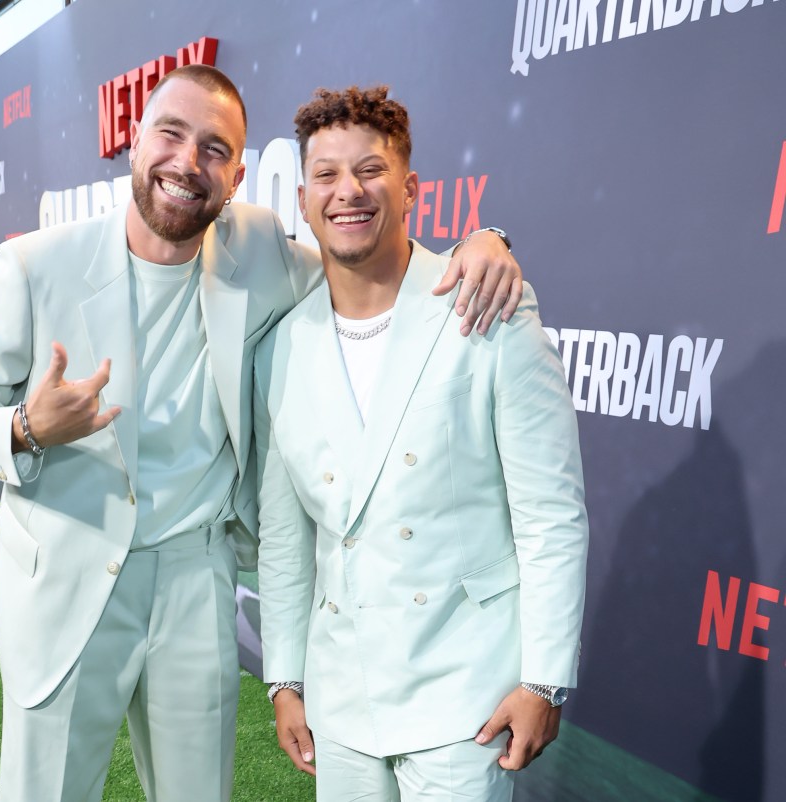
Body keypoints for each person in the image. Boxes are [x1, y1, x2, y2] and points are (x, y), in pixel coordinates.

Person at [0, 65, 523, 802]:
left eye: (215, 149)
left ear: (236, 177)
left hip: (198, 579)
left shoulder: (256, 248)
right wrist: (23, 427)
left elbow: (367, 254)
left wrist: (484, 239)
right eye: (171, 134)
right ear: (135, 142)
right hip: (67, 573)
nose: (187, 163)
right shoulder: (38, 265)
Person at [253, 86, 589, 802]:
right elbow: (286, 535)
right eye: (326, 175)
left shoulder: (487, 301)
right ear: (304, 197)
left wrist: (545, 678)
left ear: (410, 189)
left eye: (370, 171)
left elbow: (549, 515)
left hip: (465, 696)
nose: (349, 191)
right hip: (341, 696)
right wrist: (285, 677)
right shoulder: (282, 345)